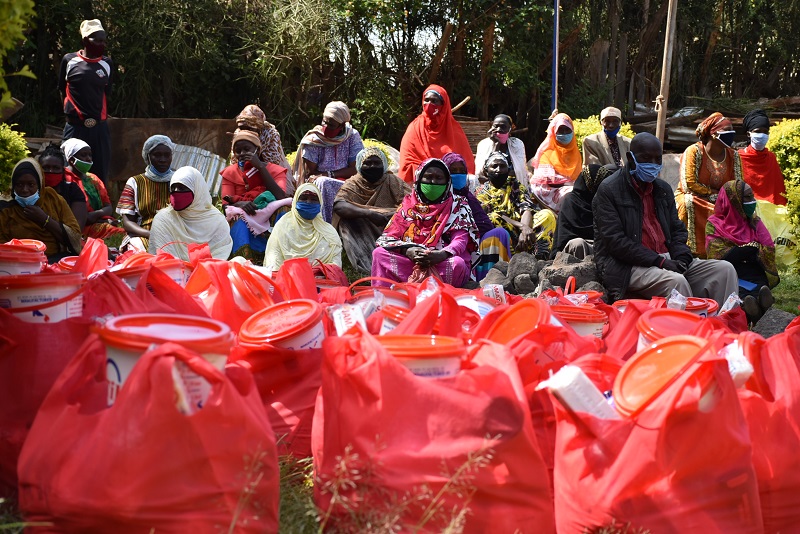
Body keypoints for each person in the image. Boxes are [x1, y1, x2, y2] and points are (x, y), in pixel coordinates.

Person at [593, 133, 738, 306]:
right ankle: (687, 330)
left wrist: (682, 257)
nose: (654, 165)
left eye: (657, 159)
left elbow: (677, 230)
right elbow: (616, 243)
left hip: (666, 258)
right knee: (675, 282)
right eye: (647, 159)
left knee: (724, 270)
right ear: (631, 159)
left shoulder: (662, 189)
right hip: (626, 265)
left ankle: (726, 324)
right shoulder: (609, 190)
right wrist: (661, 262)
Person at [372, 158, 479, 287]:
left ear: (447, 182)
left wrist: (441, 254)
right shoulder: (408, 205)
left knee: (457, 264)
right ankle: (385, 296)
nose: (433, 182)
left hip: (441, 260)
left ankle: (443, 295)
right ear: (419, 179)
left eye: (439, 178)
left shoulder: (458, 205)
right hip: (412, 260)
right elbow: (389, 237)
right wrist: (408, 251)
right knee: (379, 254)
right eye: (428, 177)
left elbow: (460, 240)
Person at [706, 179, 779, 322]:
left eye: (752, 196)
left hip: (754, 270)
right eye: (747, 197)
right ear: (734, 199)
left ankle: (757, 306)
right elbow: (716, 255)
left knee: (759, 289)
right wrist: (748, 250)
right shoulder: (714, 224)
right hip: (732, 273)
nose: (753, 201)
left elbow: (768, 247)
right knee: (741, 293)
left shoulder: (754, 221)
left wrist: (744, 252)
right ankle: (755, 309)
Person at [332, 147, 410, 273]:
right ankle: (365, 264)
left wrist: (389, 215)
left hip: (389, 224)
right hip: (363, 227)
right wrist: (369, 214)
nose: (372, 166)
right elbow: (339, 205)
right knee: (346, 221)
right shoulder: (354, 183)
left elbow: (410, 203)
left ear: (383, 164)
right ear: (359, 165)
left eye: (377, 163)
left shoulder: (392, 180)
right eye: (367, 163)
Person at [676, 112, 743, 256]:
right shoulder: (694, 151)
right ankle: (694, 250)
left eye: (732, 129)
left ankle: (729, 252)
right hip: (695, 197)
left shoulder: (734, 155)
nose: (732, 133)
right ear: (714, 133)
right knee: (688, 202)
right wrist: (713, 195)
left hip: (723, 199)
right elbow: (689, 184)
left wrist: (725, 198)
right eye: (727, 130)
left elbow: (738, 184)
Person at [221, 129, 291, 262]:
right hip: (245, 215)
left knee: (285, 211)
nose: (242, 154)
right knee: (236, 217)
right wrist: (240, 204)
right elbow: (225, 206)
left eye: (247, 149)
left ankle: (281, 257)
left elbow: (281, 197)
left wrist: (260, 167)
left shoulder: (274, 170)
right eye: (238, 151)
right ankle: (244, 261)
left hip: (270, 216)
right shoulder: (230, 173)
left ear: (257, 150)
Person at [476, 152, 556, 266]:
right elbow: (495, 215)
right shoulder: (481, 192)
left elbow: (526, 208)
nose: (498, 169)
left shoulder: (516, 185)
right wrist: (522, 226)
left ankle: (540, 259)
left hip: (523, 231)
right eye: (494, 166)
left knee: (546, 215)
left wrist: (525, 229)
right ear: (486, 171)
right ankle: (508, 262)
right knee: (493, 218)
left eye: (502, 166)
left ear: (508, 170)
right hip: (505, 232)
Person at [58, 19, 112, 183]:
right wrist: (72, 113)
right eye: (97, 40)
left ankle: (99, 206)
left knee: (99, 173)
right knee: (68, 172)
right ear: (84, 40)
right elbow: (62, 89)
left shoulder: (107, 63)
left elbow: (106, 92)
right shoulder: (69, 61)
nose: (101, 44)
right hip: (75, 128)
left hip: (99, 129)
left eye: (103, 40)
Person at [0, 158, 82, 261]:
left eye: (31, 185)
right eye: (19, 185)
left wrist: (45, 219)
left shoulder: (53, 199)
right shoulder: (5, 207)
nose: (25, 190)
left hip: (54, 260)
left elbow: (74, 237)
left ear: (39, 185)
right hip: (17, 262)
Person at [294, 101, 364, 221]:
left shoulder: (352, 136)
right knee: (323, 182)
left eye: (331, 125)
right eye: (324, 122)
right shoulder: (314, 139)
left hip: (347, 183)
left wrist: (330, 174)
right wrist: (313, 145)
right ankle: (326, 223)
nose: (325, 127)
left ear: (342, 126)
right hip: (319, 184)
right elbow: (312, 173)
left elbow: (356, 169)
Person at [149, 167, 233, 261]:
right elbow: (162, 259)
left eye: (181, 188)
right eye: (173, 188)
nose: (176, 192)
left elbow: (219, 256)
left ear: (197, 189)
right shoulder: (163, 219)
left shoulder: (217, 221)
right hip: (173, 272)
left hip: (208, 272)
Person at [398, 85, 475, 184]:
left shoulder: (455, 130)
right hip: (421, 184)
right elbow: (407, 163)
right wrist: (430, 173)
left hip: (452, 187)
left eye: (434, 101)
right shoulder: (414, 128)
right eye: (426, 100)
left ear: (443, 104)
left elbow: (467, 164)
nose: (429, 104)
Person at [116, 135, 176, 253]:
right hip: (144, 235)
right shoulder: (135, 182)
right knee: (141, 256)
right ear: (148, 157)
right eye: (157, 155)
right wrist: (151, 234)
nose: (162, 159)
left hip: (175, 235)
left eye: (167, 155)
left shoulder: (179, 180)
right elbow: (128, 223)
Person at [264, 183, 342, 271]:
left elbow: (336, 267)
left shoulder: (329, 233)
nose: (308, 202)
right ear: (295, 201)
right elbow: (274, 263)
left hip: (322, 282)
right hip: (287, 280)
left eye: (314, 199)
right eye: (304, 198)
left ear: (320, 203)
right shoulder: (282, 227)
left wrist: (319, 273)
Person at [59, 138, 124, 239]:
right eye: (83, 155)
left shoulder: (93, 178)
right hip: (78, 227)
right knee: (120, 234)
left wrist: (96, 215)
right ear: (71, 160)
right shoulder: (65, 179)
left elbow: (108, 207)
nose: (88, 158)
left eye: (90, 155)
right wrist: (95, 217)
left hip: (98, 221)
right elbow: (78, 216)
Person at [551, 164, 618, 259]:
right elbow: (564, 239)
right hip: (572, 252)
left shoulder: (604, 203)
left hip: (599, 247)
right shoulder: (571, 201)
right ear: (592, 184)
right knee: (578, 244)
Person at [530, 113, 582, 212]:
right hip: (548, 192)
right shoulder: (546, 152)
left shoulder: (575, 153)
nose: (564, 133)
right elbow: (546, 181)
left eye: (567, 130)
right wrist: (569, 185)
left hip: (570, 189)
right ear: (554, 132)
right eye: (560, 130)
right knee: (573, 195)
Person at [230, 104, 294, 183]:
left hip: (272, 177)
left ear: (258, 127)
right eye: (242, 128)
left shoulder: (270, 134)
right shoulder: (238, 133)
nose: (245, 132)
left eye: (249, 128)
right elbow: (234, 162)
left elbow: (274, 165)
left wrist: (257, 163)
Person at [738, 108, 786, 205]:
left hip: (772, 208)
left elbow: (778, 189)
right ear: (748, 134)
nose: (762, 135)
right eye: (758, 131)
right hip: (747, 206)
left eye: (765, 132)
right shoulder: (739, 157)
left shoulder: (771, 157)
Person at [38, 144, 86, 231]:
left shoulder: (72, 190)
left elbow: (76, 229)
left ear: (63, 171)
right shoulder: (32, 191)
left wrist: (45, 220)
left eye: (56, 168)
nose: (51, 171)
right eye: (46, 168)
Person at [474, 114, 528, 184]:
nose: (499, 130)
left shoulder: (517, 144)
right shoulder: (483, 144)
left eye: (503, 127)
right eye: (496, 126)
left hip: (513, 186)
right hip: (489, 187)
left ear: (510, 129)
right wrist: (496, 145)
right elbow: (481, 172)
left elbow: (520, 171)